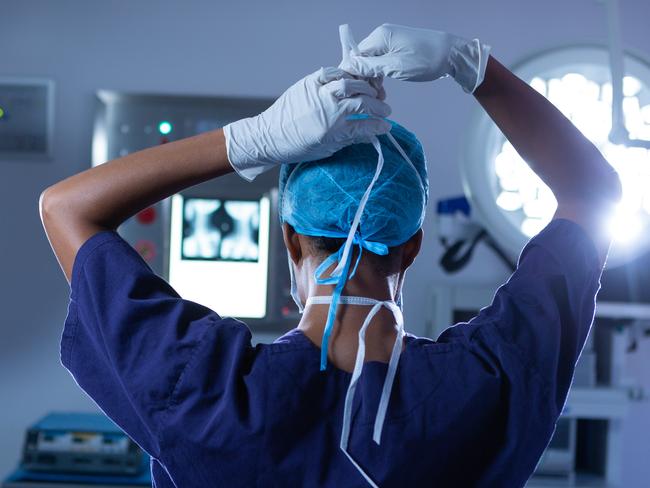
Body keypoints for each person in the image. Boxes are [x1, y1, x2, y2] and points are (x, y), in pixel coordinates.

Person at [40, 24, 621, 488]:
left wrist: (254, 139)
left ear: (289, 239)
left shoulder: (204, 393)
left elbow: (66, 209)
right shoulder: (487, 386)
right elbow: (592, 195)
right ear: (412, 247)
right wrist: (471, 65)